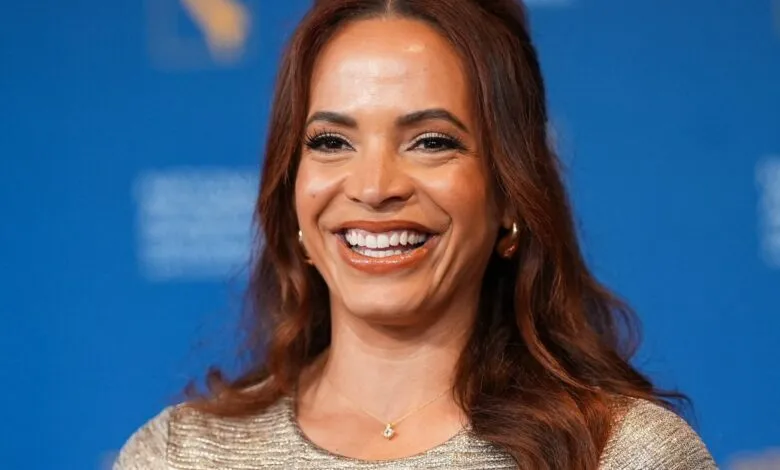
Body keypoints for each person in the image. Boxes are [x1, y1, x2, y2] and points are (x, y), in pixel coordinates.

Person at [114, 0, 717, 468]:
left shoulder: (625, 454)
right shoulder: (178, 455)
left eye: (431, 141)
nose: (374, 187)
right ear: (291, 189)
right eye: (331, 142)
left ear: (510, 193)